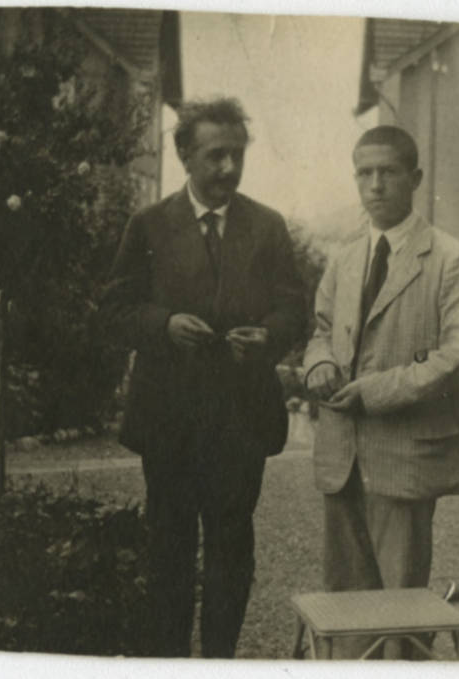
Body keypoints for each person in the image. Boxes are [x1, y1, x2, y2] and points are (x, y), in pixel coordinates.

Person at [98, 97, 305, 658]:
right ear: (185, 154)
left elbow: (294, 308)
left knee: (231, 552)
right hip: (169, 421)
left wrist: (268, 335)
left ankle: (220, 661)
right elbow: (113, 310)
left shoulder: (267, 226)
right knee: (168, 551)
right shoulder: (150, 225)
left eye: (237, 155)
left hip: (241, 421)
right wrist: (162, 325)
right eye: (216, 155)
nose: (229, 168)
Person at [303, 125, 459, 658]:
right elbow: (320, 329)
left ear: (416, 178)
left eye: (388, 172)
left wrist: (374, 391)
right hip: (342, 454)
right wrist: (319, 365)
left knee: (400, 607)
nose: (375, 185)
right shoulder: (345, 257)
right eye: (364, 173)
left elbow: (455, 357)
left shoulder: (451, 259)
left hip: (405, 455)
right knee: (344, 604)